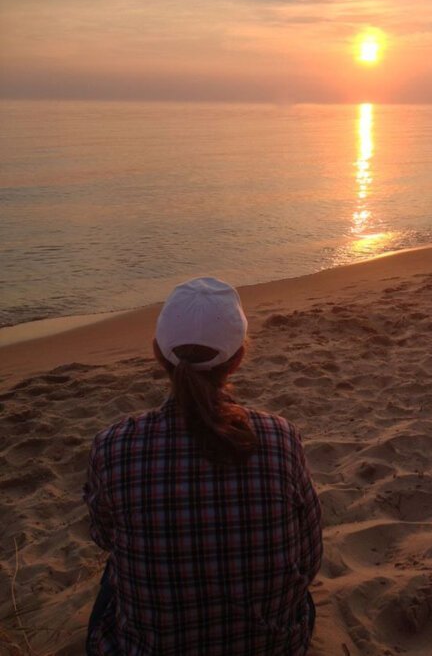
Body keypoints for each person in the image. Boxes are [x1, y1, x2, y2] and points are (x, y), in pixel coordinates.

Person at [84, 276, 322, 655]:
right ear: (239, 357)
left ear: (157, 353)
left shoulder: (113, 446)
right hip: (274, 646)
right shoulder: (281, 438)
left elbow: (104, 536)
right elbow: (309, 559)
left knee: (113, 575)